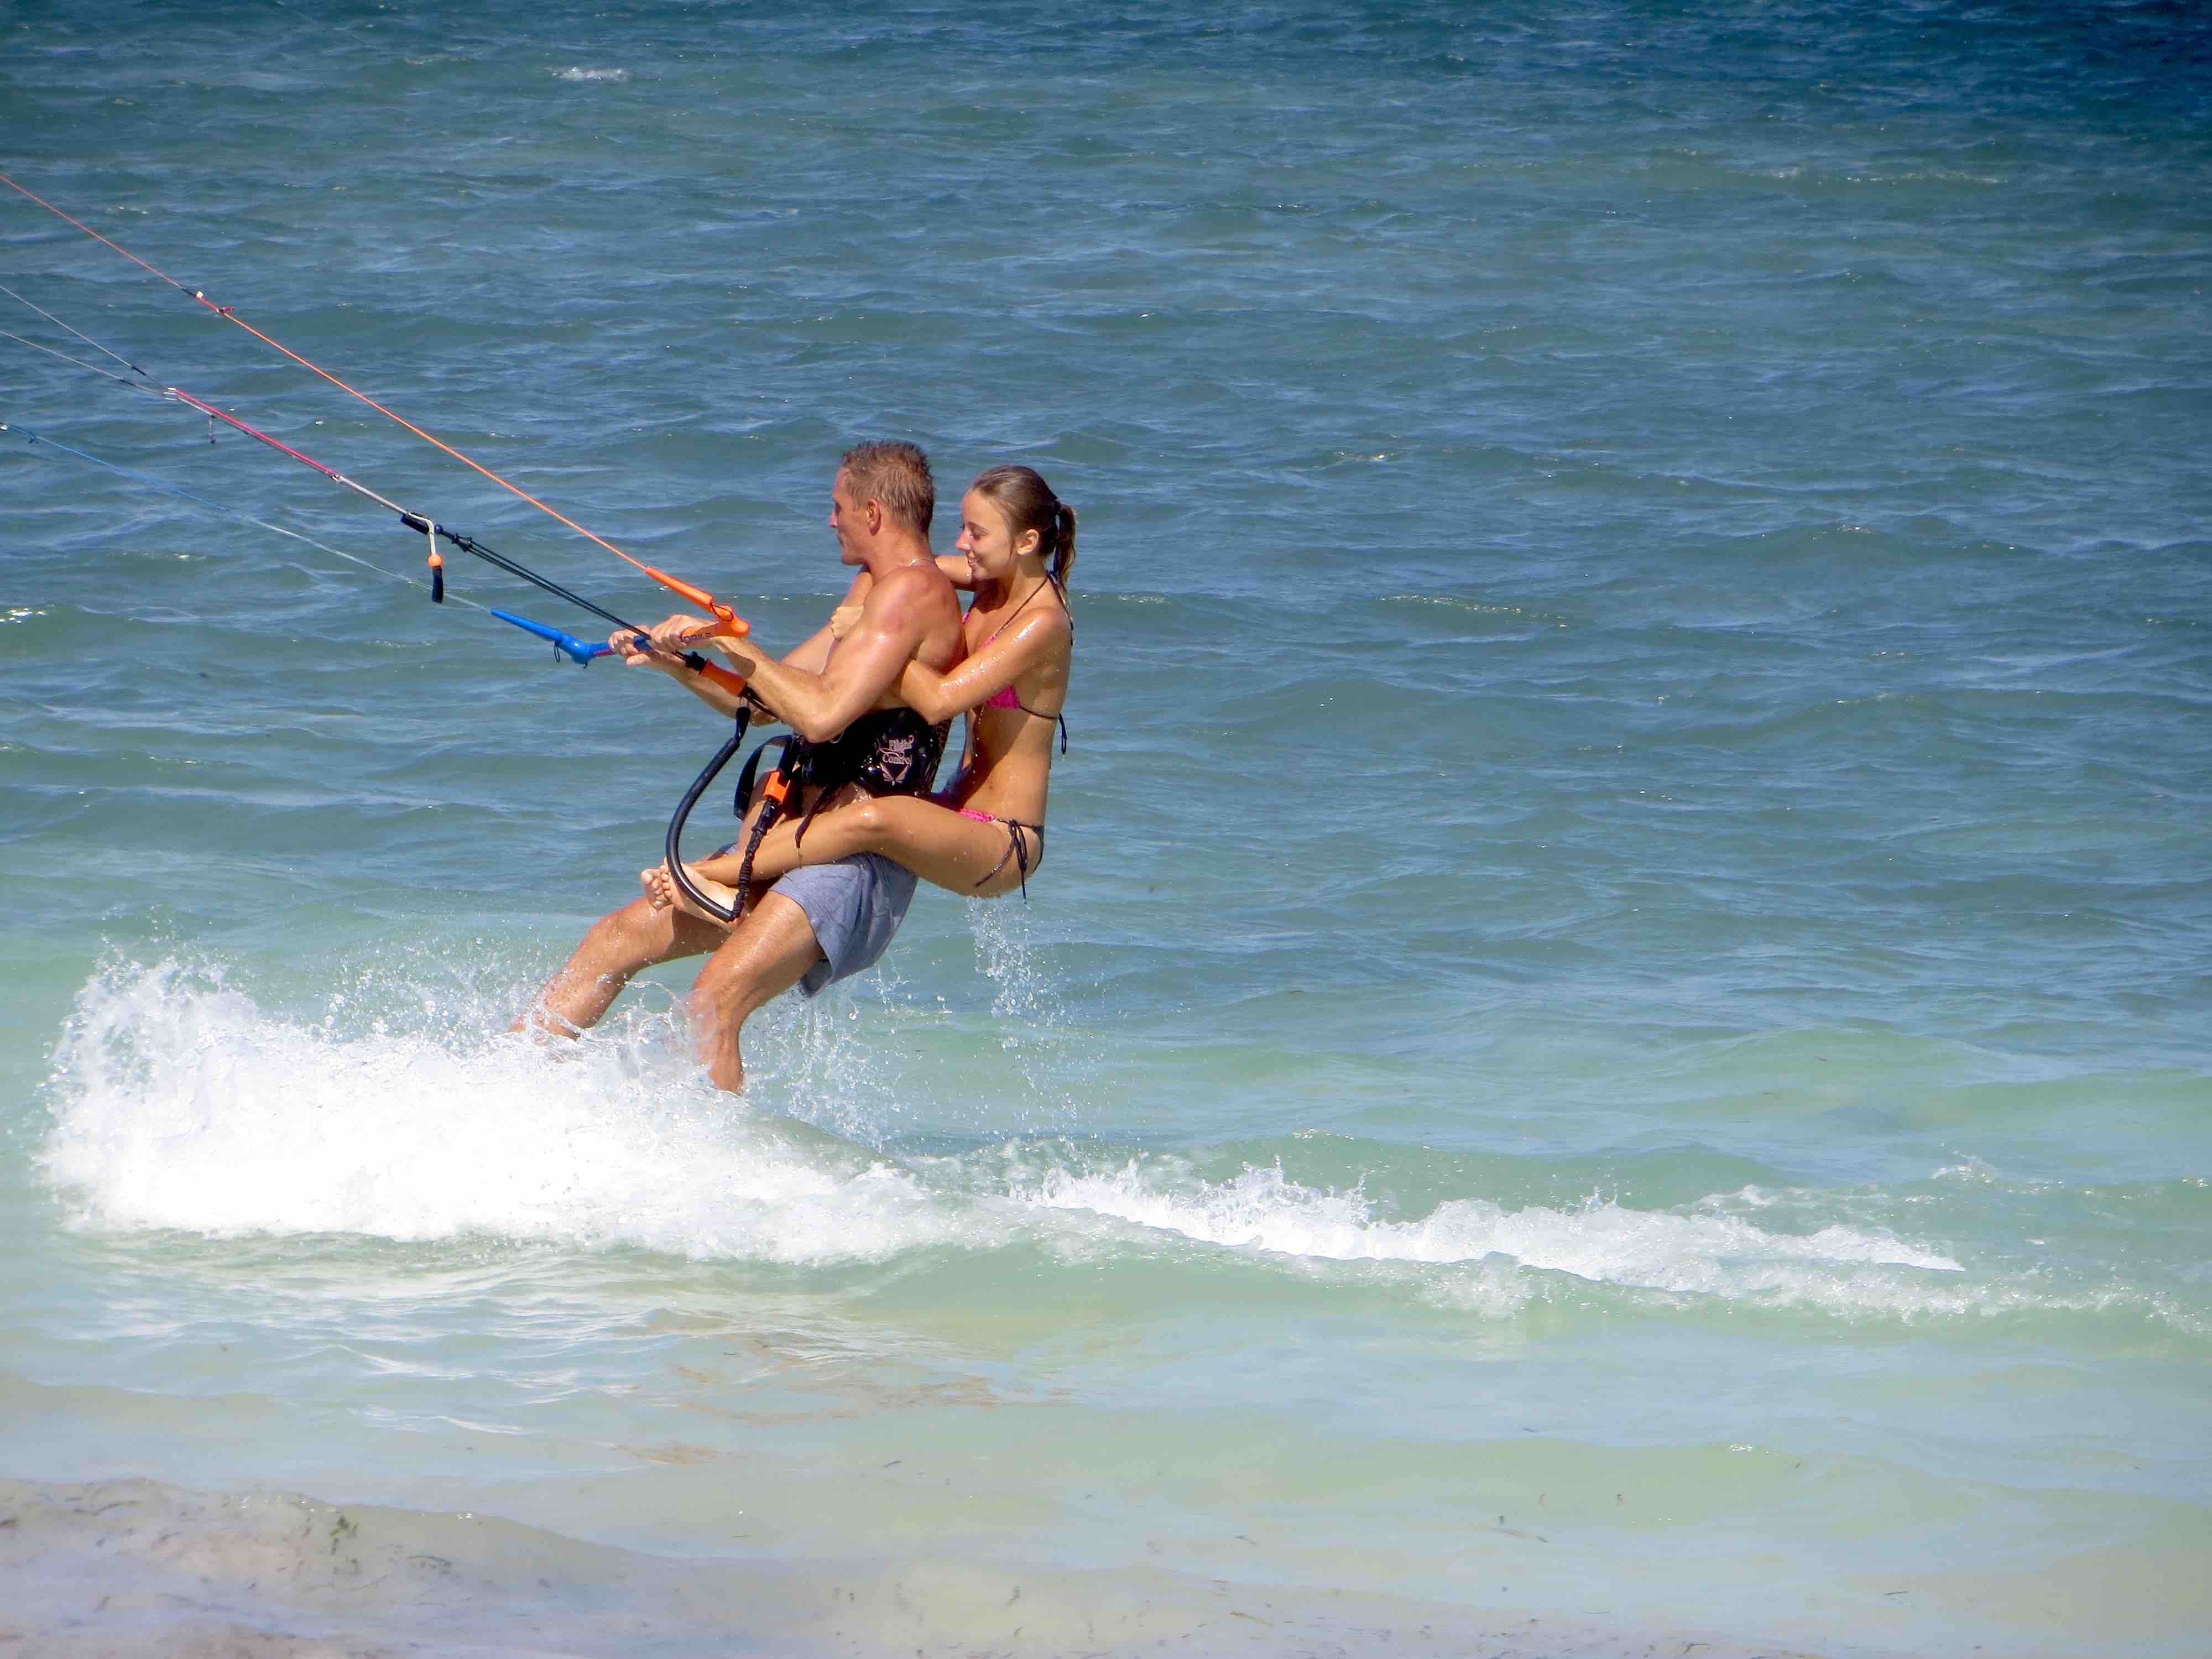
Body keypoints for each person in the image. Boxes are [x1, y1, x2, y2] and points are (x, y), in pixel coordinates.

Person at [520, 441, 964, 1092]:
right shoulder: (874, 590)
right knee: (613, 939)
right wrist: (682, 662)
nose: (830, 520)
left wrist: (732, 641)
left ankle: (720, 1154)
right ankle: (505, 1084)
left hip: (852, 858)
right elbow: (763, 702)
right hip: (790, 838)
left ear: (873, 513)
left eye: (837, 507)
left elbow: (821, 716)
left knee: (712, 1004)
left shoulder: (913, 592)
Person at [646, 463, 1074, 916]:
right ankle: (740, 897)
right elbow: (908, 566)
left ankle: (709, 873)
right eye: (963, 527)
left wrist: (871, 635)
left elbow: (940, 700)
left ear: (1027, 542)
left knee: (875, 817)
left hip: (1002, 838)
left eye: (977, 533)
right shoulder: (991, 583)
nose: (961, 542)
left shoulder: (1043, 623)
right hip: (947, 808)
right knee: (801, 785)